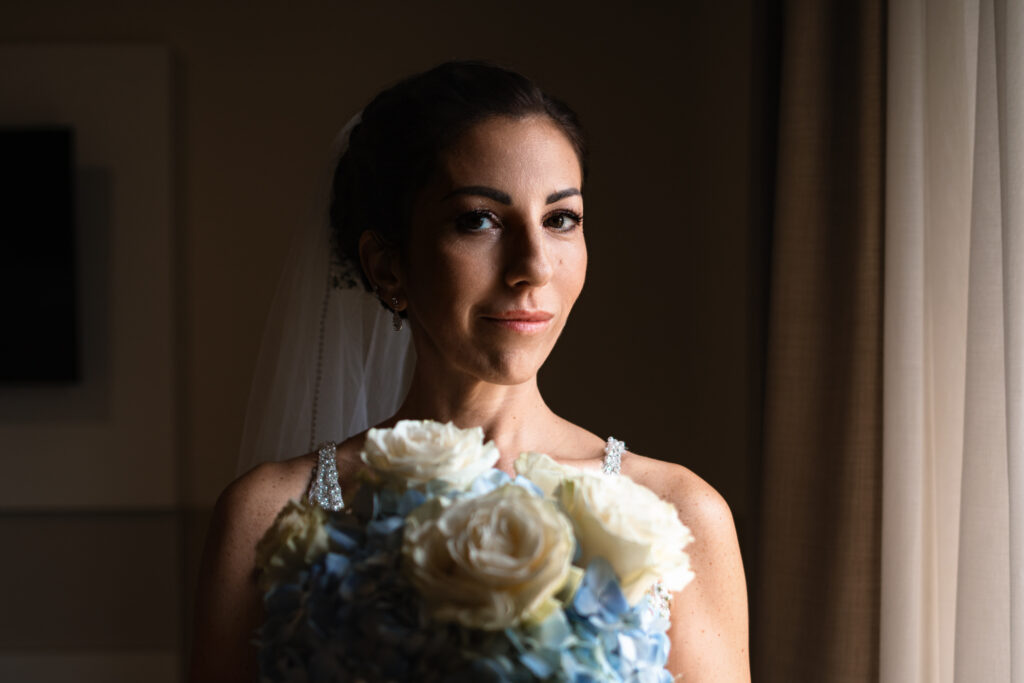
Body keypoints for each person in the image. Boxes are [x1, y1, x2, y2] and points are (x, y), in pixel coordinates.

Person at [189, 61, 750, 682]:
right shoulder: (270, 515)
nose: (533, 266)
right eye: (478, 219)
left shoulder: (680, 513)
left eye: (560, 219)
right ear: (387, 265)